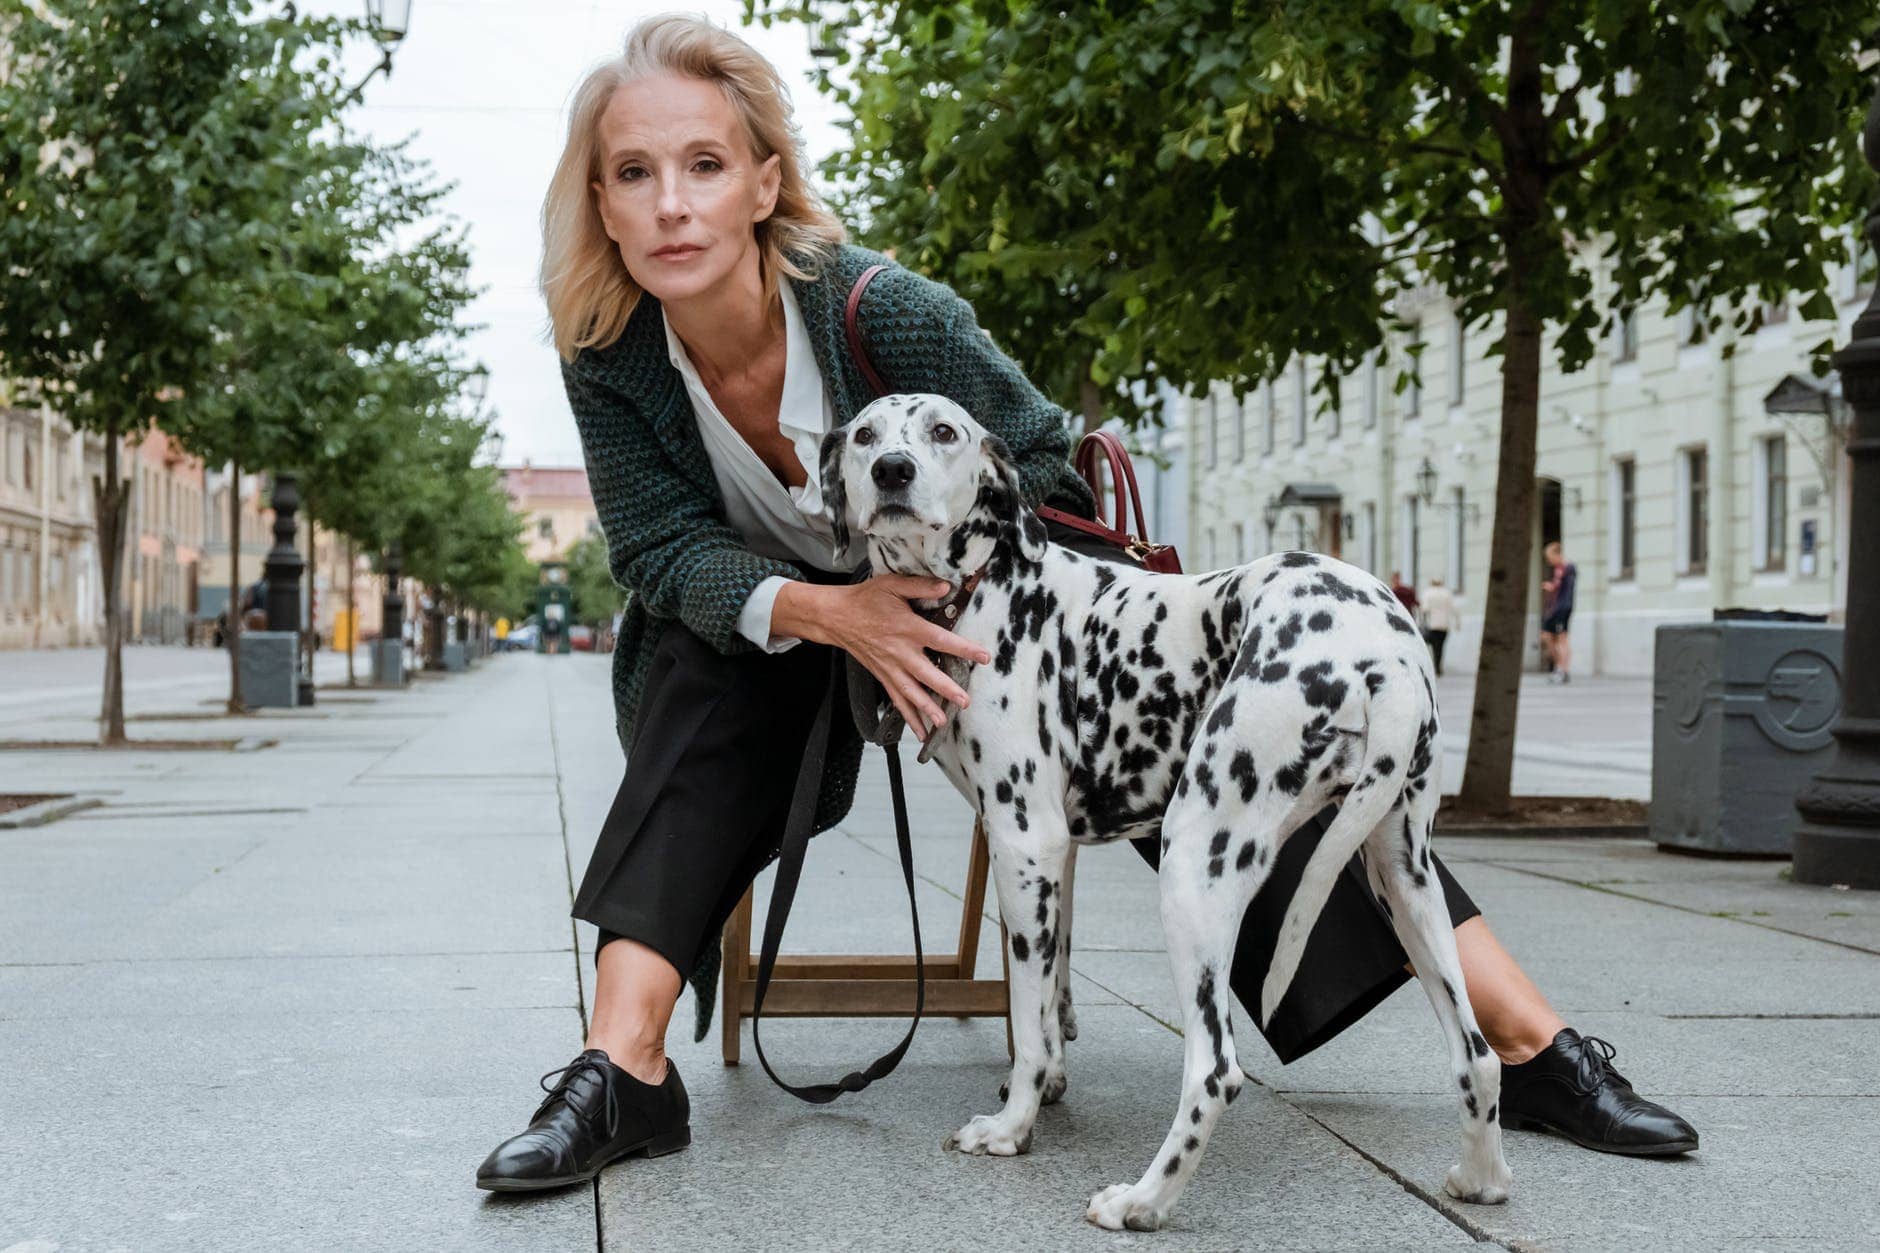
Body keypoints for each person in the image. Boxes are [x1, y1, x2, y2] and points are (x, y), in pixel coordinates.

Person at [474, 15, 1696, 1194]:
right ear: (600, 204)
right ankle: (622, 1069)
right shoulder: (609, 350)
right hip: (772, 631)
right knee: (698, 675)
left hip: (992, 619)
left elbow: (1040, 458)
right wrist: (830, 606)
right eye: (632, 173)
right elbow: (653, 546)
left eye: (702, 164)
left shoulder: (880, 309)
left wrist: (940, 591)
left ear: (762, 182)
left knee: (1229, 745)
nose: (670, 202)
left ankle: (1530, 1047)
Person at [1541, 540, 1576, 684]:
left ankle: (1563, 670)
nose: (1549, 561)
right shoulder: (1558, 569)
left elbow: (1565, 589)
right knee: (1546, 636)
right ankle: (1558, 667)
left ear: (1558, 554)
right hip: (1554, 608)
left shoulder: (1568, 568)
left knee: (1562, 638)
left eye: (1550, 557)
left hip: (1562, 608)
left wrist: (1552, 587)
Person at [1422, 576, 1458, 677]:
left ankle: (1436, 667)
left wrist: (1423, 621)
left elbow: (1425, 609)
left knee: (1434, 647)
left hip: (1432, 625)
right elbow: (1454, 608)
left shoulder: (1428, 593)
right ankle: (1438, 667)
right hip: (1444, 625)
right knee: (1441, 647)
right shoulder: (1447, 593)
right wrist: (1458, 623)